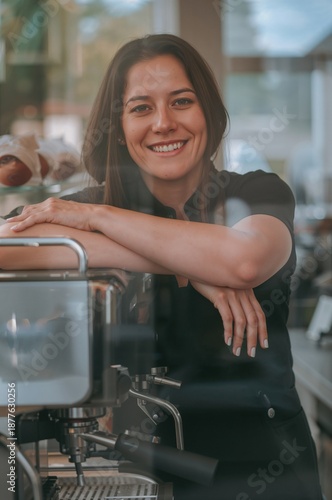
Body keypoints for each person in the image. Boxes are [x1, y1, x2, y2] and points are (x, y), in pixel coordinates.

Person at [0, 34, 323, 499]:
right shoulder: (93, 204)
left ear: (208, 111)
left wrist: (98, 220)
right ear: (119, 125)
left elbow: (244, 260)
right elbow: (7, 244)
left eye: (182, 101)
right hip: (138, 464)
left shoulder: (257, 191)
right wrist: (190, 267)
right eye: (140, 108)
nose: (164, 123)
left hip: (263, 468)